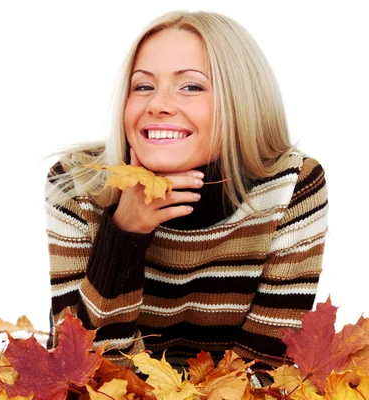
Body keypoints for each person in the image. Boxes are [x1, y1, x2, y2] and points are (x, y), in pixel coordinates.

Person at [44, 10, 328, 377]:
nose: (157, 104)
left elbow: (267, 370)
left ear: (241, 101)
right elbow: (79, 373)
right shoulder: (78, 185)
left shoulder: (291, 185)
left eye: (191, 86)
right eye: (143, 86)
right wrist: (123, 234)